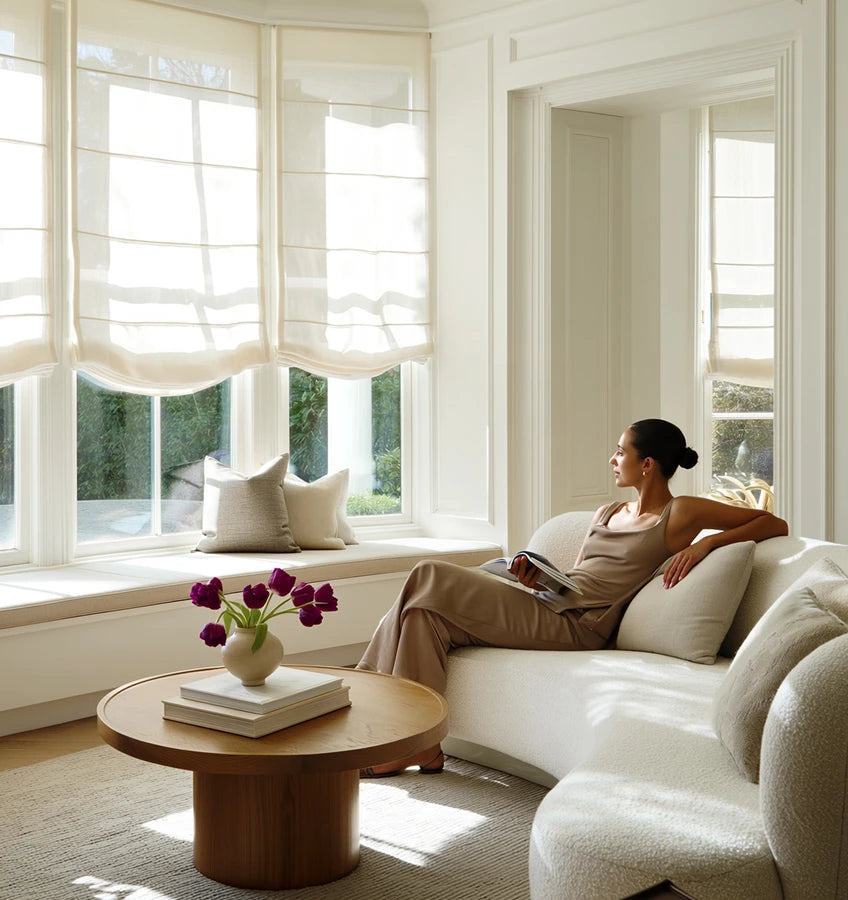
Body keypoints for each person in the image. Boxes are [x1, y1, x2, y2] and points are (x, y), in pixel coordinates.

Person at [356, 418, 788, 777]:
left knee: (428, 573)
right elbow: (576, 576)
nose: (613, 459)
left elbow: (772, 523)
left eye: (621, 451)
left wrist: (703, 545)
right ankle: (422, 745)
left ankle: (361, 692)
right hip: (551, 603)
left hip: (582, 626)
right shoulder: (607, 512)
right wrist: (536, 578)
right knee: (423, 617)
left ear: (648, 464)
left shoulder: (681, 513)